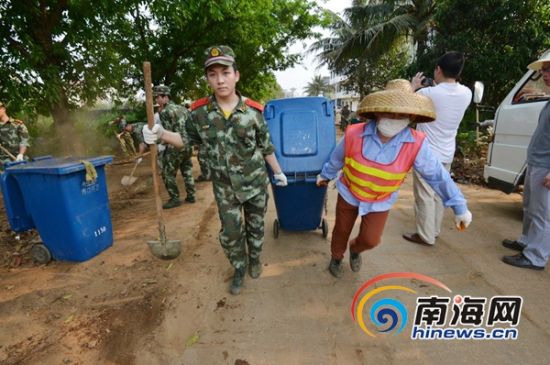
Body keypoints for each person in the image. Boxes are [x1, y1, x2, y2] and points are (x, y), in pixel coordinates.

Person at [143, 45, 288, 295]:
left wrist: (278, 172)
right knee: (231, 233)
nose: (220, 79)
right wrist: (161, 134)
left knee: (255, 228)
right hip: (225, 188)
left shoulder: (254, 112)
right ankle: (239, 267)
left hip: (255, 184)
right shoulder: (199, 114)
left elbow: (266, 147)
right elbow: (186, 140)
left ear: (236, 75)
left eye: (225, 72)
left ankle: (254, 259)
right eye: (213, 74)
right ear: (208, 79)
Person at [316, 79, 472, 278]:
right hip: (349, 192)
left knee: (371, 240)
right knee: (341, 230)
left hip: (380, 200)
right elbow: (337, 158)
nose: (395, 118)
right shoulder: (355, 133)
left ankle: (355, 249)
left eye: (402, 115)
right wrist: (325, 176)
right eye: (389, 112)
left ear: (411, 116)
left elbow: (436, 175)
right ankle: (336, 257)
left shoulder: (415, 143)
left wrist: (459, 206)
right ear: (378, 112)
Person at [403, 51, 472, 246]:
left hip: (426, 153)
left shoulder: (427, 93)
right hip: (447, 151)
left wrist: (413, 86)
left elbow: (404, 104)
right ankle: (434, 231)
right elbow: (446, 98)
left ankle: (425, 235)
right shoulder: (466, 93)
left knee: (424, 194)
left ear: (438, 70)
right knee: (440, 192)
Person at [501, 56, 550, 270]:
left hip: (545, 165)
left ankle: (536, 256)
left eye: (549, 70)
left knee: (542, 213)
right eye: (545, 71)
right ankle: (526, 242)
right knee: (530, 207)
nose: (545, 75)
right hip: (536, 161)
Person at [154, 85, 196, 209]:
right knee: (187, 170)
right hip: (188, 144)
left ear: (165, 97)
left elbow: (168, 133)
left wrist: (160, 143)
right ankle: (191, 195)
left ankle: (175, 198)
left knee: (167, 173)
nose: (156, 100)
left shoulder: (165, 112)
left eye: (158, 97)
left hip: (176, 146)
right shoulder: (183, 109)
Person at [0, 101, 30, 171]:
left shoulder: (17, 124)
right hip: (4, 162)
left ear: (3, 109)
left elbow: (24, 141)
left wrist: (21, 154)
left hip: (20, 159)